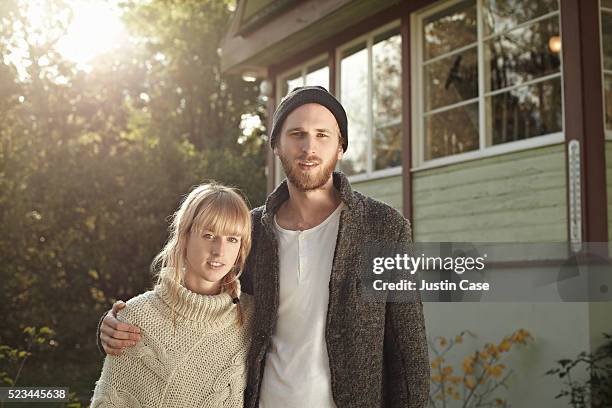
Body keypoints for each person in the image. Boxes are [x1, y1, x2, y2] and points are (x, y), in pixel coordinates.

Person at [98, 86, 430, 407]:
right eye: (297, 134)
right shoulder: (250, 231)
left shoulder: (384, 228)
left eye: (322, 135)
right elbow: (196, 306)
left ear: (340, 147)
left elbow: (409, 351)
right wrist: (115, 326)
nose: (308, 147)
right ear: (276, 146)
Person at [91, 183, 254, 408]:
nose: (219, 250)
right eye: (209, 235)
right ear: (185, 236)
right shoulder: (138, 317)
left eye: (232, 239)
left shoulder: (251, 317)